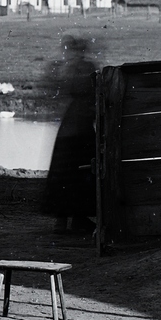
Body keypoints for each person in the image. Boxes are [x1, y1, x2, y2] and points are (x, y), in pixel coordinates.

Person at [42, 35, 99, 234]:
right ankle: (76, 218)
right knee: (81, 170)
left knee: (66, 171)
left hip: (70, 125)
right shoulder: (87, 67)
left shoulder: (69, 68)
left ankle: (65, 219)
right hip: (80, 127)